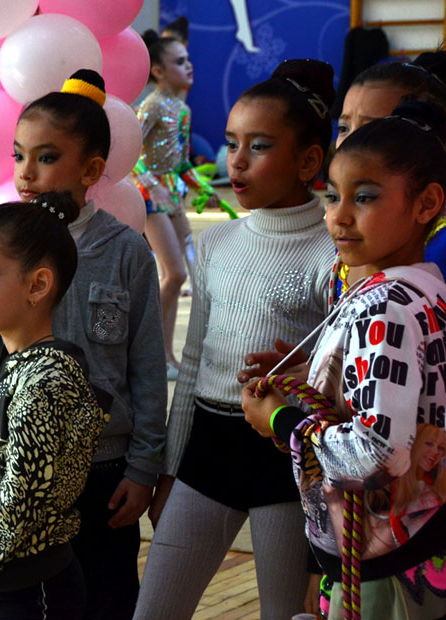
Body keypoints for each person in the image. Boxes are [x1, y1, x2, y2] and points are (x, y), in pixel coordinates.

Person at [0, 69, 166, 619]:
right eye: (19, 155)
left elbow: (146, 369)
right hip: (17, 472)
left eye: (46, 157)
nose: (27, 172)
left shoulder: (126, 253)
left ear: (92, 169)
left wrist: (143, 469)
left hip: (103, 473)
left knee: (107, 598)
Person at [135, 59, 337, 619]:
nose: (236, 161)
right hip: (206, 450)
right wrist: (170, 467)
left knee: (283, 613)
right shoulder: (219, 243)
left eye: (260, 146)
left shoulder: (333, 254)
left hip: (286, 459)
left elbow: (335, 378)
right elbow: (195, 356)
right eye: (230, 142)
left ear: (308, 160)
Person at [242, 98, 446, 619]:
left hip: (389, 560)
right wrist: (314, 376)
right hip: (413, 542)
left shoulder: (387, 304)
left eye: (366, 197)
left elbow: (377, 455)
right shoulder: (424, 290)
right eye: (332, 196)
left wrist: (281, 419)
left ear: (427, 205)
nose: (339, 216)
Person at [0, 192, 107, 619]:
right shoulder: (7, 368)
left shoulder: (47, 380)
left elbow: (18, 501)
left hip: (34, 588)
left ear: (38, 285)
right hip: (3, 579)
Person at [238, 56, 446, 386]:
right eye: (344, 127)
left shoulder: (432, 256)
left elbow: (380, 432)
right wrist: (320, 366)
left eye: (374, 129)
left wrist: (283, 420)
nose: (351, 144)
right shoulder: (356, 244)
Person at [133, 32, 220, 379]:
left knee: (191, 274)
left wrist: (204, 187)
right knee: (176, 274)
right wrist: (152, 186)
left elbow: (182, 163)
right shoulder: (151, 106)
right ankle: (150, 353)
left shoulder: (182, 110)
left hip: (173, 195)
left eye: (188, 59)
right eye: (179, 61)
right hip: (150, 198)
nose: (189, 66)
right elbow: (130, 154)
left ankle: (168, 356)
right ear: (157, 70)